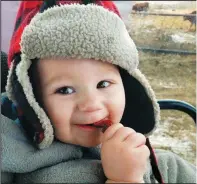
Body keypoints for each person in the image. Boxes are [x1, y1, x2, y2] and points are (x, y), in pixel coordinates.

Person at [2, 1, 196, 183]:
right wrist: (123, 180)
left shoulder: (166, 165)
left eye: (103, 84)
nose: (91, 104)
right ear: (30, 99)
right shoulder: (13, 157)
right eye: (65, 90)